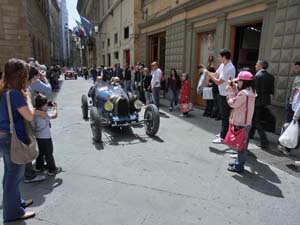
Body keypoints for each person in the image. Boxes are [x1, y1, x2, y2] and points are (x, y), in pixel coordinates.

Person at [0, 58, 36, 221]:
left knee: (10, 173)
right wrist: (28, 98)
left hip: (4, 135)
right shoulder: (14, 93)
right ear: (20, 75)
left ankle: (15, 203)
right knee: (14, 176)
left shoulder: (3, 90)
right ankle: (13, 212)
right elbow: (29, 115)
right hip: (12, 138)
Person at [226, 71, 256, 173]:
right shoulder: (251, 91)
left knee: (241, 146)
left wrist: (230, 94)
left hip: (241, 122)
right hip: (246, 122)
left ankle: (239, 166)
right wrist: (234, 88)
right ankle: (237, 161)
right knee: (242, 145)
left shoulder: (243, 93)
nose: (237, 83)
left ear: (244, 82)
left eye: (239, 81)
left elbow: (233, 103)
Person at [207, 49, 236, 144]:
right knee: (223, 115)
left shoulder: (230, 68)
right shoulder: (223, 65)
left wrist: (209, 75)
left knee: (225, 116)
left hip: (227, 94)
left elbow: (218, 81)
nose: (218, 58)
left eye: (219, 56)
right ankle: (224, 133)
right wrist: (207, 72)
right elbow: (216, 74)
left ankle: (223, 137)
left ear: (224, 57)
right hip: (222, 93)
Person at [34, 94, 62, 175]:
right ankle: (52, 169)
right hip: (46, 137)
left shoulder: (35, 111)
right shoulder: (44, 114)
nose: (47, 104)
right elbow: (54, 115)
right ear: (43, 105)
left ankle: (39, 166)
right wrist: (55, 107)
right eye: (46, 103)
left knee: (40, 152)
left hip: (38, 136)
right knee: (49, 153)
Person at [249, 60, 274, 148]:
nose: (255, 65)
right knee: (256, 118)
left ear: (261, 66)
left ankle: (264, 141)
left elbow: (254, 90)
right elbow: (271, 91)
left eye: (256, 64)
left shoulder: (257, 76)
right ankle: (250, 134)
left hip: (257, 101)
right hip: (265, 101)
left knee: (256, 121)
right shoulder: (271, 76)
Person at [278, 62, 300, 155]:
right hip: (290, 104)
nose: (294, 70)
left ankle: (289, 147)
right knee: (288, 125)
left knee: (295, 127)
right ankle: (285, 144)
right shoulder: (294, 78)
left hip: (298, 108)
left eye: (296, 68)